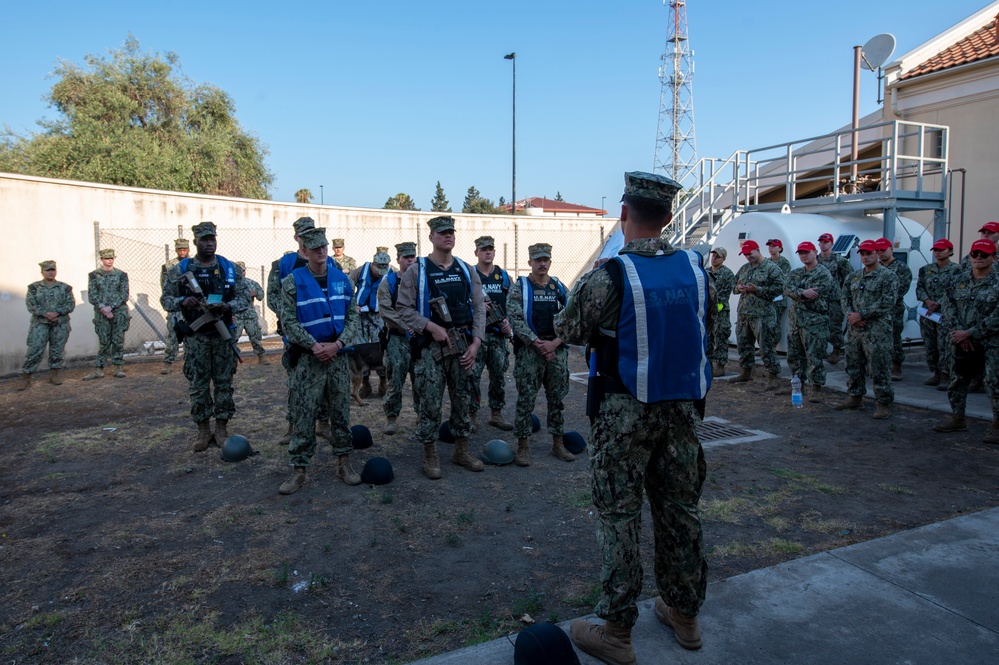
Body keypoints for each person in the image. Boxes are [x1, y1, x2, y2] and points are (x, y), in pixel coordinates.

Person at [557, 172, 713, 663]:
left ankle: (618, 632)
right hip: (684, 410)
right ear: (668, 218)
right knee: (679, 511)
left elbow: (568, 328)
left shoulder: (609, 275)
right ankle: (684, 615)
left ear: (624, 214)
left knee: (619, 515)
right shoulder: (696, 269)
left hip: (625, 412)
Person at [396, 215, 486, 479]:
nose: (448, 236)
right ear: (431, 237)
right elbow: (403, 308)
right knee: (430, 402)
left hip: (462, 347)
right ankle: (430, 452)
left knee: (463, 399)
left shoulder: (466, 269)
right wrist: (430, 327)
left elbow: (479, 307)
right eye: (442, 232)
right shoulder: (418, 270)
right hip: (432, 351)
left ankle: (461, 449)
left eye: (451, 232)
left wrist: (477, 342)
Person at [277, 227, 362, 493]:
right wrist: (314, 346)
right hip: (308, 359)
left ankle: (344, 462)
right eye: (314, 248)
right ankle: (299, 469)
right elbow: (288, 322)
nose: (321, 251)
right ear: (303, 251)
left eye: (323, 247)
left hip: (336, 357)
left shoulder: (343, 280)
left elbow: (353, 318)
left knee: (340, 412)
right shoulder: (292, 282)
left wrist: (337, 344)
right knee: (304, 414)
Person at [161, 222, 250, 451]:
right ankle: (203, 430)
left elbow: (244, 299)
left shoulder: (229, 268)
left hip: (222, 334)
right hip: (196, 336)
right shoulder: (180, 270)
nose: (209, 243)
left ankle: (221, 427)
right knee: (198, 384)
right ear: (195, 242)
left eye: (212, 239)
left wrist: (227, 306)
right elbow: (166, 300)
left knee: (224, 383)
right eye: (204, 239)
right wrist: (183, 301)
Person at [268, 216, 337, 444]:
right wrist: (293, 317)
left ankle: (323, 424)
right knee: (296, 383)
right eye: (303, 233)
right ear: (297, 237)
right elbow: (272, 297)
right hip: (296, 336)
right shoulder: (283, 264)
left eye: (312, 232)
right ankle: (293, 426)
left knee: (327, 381)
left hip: (325, 333)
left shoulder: (330, 263)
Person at [507, 243, 574, 466]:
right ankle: (523, 445)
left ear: (550, 262)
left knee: (557, 399)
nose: (542, 263)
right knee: (526, 399)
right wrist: (537, 343)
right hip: (530, 352)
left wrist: (555, 343)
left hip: (555, 350)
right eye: (538, 260)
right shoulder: (521, 287)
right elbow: (515, 318)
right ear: (530, 263)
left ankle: (557, 443)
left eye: (545, 259)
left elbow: (574, 315)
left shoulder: (559, 287)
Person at [933, 238, 999, 443]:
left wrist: (971, 332)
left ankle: (997, 425)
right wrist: (958, 332)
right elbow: (947, 307)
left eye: (984, 255)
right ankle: (957, 418)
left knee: (994, 383)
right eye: (975, 254)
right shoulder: (958, 280)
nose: (978, 258)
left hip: (990, 341)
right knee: (958, 380)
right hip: (960, 340)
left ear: (994, 258)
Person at [835, 239, 898, 419]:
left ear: (877, 254)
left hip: (877, 330)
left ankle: (883, 402)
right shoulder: (854, 277)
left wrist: (862, 314)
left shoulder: (888, 276)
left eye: (869, 253)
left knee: (879, 367)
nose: (865, 257)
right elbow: (844, 298)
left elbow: (888, 301)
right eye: (862, 254)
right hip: (855, 330)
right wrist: (851, 316)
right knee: (853, 364)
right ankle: (855, 396)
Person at [471, 235, 514, 432]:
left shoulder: (503, 276)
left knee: (498, 375)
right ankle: (471, 414)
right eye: (483, 249)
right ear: (476, 253)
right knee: (473, 376)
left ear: (494, 252)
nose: (487, 252)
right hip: (477, 335)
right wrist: (478, 305)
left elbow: (513, 304)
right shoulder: (470, 275)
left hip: (497, 336)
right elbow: (461, 302)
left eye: (490, 249)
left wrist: (508, 324)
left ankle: (496, 413)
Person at [782, 242, 833, 402]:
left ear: (814, 252)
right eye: (801, 253)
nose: (803, 255)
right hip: (796, 322)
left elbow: (816, 293)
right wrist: (802, 292)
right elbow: (787, 288)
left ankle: (816, 387)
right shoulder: (796, 273)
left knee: (814, 356)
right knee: (794, 356)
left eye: (807, 252)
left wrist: (797, 293)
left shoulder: (823, 273)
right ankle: (798, 385)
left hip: (814, 323)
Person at [377, 242, 420, 435]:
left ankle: (422, 415)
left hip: (420, 338)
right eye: (406, 257)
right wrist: (405, 327)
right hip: (397, 338)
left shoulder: (423, 280)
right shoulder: (389, 282)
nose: (410, 260)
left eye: (413, 257)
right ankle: (391, 417)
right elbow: (385, 310)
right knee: (395, 379)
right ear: (398, 260)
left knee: (421, 379)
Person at [731, 239, 785, 389]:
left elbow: (780, 288)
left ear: (758, 250)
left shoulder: (771, 268)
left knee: (766, 347)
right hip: (744, 314)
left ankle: (773, 375)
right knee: (743, 345)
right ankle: (746, 371)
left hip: (763, 315)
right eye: (746, 255)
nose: (748, 257)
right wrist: (739, 289)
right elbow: (734, 285)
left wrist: (758, 290)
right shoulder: (744, 268)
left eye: (750, 253)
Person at [17, 260, 75, 390]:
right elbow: (31, 305)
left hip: (60, 323)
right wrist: (45, 314)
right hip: (40, 324)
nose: (50, 272)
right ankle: (26, 377)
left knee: (57, 350)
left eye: (52, 270)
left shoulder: (65, 287)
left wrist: (57, 313)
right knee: (35, 350)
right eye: (47, 270)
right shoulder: (34, 288)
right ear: (42, 272)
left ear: (56, 271)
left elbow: (70, 304)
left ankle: (54, 375)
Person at [916, 239, 960, 387]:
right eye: (935, 250)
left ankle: (946, 375)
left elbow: (956, 290)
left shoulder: (957, 270)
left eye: (941, 249)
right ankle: (935, 372)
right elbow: (920, 287)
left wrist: (939, 302)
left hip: (946, 314)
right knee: (930, 344)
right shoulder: (926, 269)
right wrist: (928, 301)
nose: (938, 252)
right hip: (928, 313)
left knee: (945, 344)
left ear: (950, 251)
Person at [348, 251, 392, 397]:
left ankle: (383, 383)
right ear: (373, 264)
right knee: (360, 351)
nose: (380, 273)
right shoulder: (360, 271)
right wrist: (352, 305)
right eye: (378, 269)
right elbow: (347, 288)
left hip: (379, 317)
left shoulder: (392, 272)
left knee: (380, 349)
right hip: (360, 316)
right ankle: (365, 385)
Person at [83, 249, 131, 380]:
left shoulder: (121, 275)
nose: (109, 261)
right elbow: (92, 295)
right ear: (101, 259)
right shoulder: (94, 275)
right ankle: (99, 369)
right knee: (104, 341)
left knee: (118, 340)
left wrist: (111, 307)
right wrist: (103, 308)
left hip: (119, 312)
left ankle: (117, 367)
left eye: (111, 258)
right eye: (106, 258)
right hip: (102, 313)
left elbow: (124, 294)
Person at [876, 238, 913, 381]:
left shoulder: (901, 268)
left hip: (893, 310)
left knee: (894, 338)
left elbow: (900, 290)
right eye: (878, 251)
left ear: (891, 249)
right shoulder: (876, 268)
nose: (881, 254)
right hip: (877, 311)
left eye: (883, 250)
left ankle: (896, 366)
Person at [816, 232, 854, 365]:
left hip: (834, 299)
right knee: (819, 325)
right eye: (821, 242)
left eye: (826, 242)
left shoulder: (840, 260)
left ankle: (836, 350)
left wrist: (844, 295)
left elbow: (849, 278)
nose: (823, 244)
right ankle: (821, 349)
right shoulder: (816, 259)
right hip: (818, 298)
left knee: (834, 325)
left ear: (832, 243)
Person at [160, 238, 190, 374]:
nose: (182, 252)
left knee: (192, 335)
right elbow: (165, 287)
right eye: (180, 249)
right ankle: (168, 362)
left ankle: (190, 361)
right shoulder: (169, 266)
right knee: (173, 335)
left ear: (189, 249)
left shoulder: (194, 263)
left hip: (191, 304)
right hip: (176, 304)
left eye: (184, 249)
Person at [706, 247, 735, 376]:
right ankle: (709, 364)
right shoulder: (705, 272)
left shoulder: (727, 274)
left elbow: (723, 294)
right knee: (708, 338)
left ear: (723, 259)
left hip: (720, 310)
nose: (714, 258)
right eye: (713, 256)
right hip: (707, 310)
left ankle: (720, 365)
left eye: (718, 257)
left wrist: (714, 305)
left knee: (720, 337)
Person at [234, 261, 270, 364]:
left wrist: (256, 293)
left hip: (249, 314)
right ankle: (233, 358)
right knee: (233, 338)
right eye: (239, 271)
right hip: (236, 315)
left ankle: (261, 356)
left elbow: (261, 295)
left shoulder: (251, 283)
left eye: (243, 271)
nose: (242, 273)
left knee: (255, 336)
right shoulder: (231, 284)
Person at [766, 239, 791, 352]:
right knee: (766, 323)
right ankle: (766, 345)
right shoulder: (766, 262)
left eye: (774, 246)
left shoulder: (784, 262)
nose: (771, 248)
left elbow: (782, 280)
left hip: (778, 298)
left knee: (775, 323)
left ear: (780, 248)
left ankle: (773, 346)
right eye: (770, 246)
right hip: (767, 297)